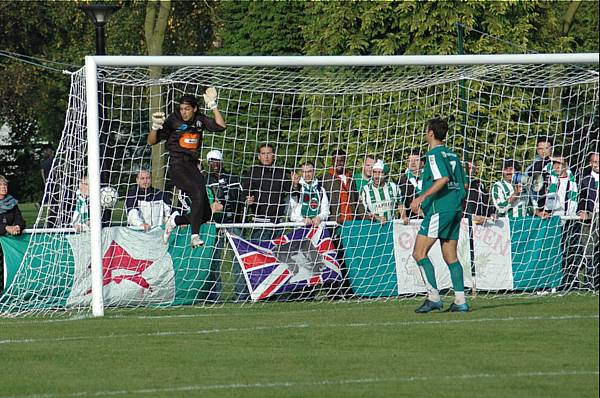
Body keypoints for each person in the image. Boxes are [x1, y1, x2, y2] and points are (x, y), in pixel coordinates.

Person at [147, 89, 226, 248]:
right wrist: (155, 126)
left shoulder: (200, 119)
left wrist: (212, 105)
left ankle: (175, 220)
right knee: (196, 192)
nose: (184, 112)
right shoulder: (173, 120)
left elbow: (221, 125)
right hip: (177, 166)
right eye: (182, 109)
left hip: (192, 166)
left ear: (195, 109)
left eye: (187, 109)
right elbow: (151, 141)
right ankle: (194, 236)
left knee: (205, 214)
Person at [410, 118, 469, 313]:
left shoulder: (434, 154)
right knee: (450, 256)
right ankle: (460, 301)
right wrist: (456, 206)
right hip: (454, 209)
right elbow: (464, 185)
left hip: (439, 209)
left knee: (419, 253)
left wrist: (422, 198)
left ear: (431, 133)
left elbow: (442, 178)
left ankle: (433, 297)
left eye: (425, 130)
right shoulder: (453, 155)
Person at [202, 149, 245, 302]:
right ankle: (214, 296)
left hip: (233, 222)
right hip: (215, 225)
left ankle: (242, 295)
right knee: (214, 261)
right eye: (212, 161)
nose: (215, 164)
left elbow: (240, 200)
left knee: (239, 260)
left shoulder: (234, 178)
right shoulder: (204, 180)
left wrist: (227, 207)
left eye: (217, 161)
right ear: (208, 163)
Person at [242, 143, 293, 241]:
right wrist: (247, 200)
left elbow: (292, 191)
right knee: (259, 253)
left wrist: (295, 184)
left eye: (269, 153)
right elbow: (244, 195)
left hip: (278, 224)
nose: (266, 156)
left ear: (274, 156)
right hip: (259, 223)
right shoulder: (253, 172)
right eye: (263, 153)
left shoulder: (280, 173)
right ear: (258, 156)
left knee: (278, 255)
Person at [577, 152, 599, 291]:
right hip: (591, 217)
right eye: (595, 162)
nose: (597, 165)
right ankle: (590, 282)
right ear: (590, 163)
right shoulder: (585, 180)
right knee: (589, 250)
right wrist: (581, 211)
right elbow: (581, 199)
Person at [359, 159, 406, 224]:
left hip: (391, 226)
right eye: (374, 172)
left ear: (385, 174)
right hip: (373, 227)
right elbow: (364, 212)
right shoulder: (365, 190)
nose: (377, 176)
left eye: (380, 172)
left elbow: (400, 204)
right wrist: (377, 218)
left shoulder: (393, 186)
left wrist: (403, 216)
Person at [289, 161, 330, 227]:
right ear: (301, 173)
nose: (307, 174)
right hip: (300, 228)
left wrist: (319, 217)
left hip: (317, 228)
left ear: (314, 172)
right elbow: (292, 214)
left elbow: (326, 211)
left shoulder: (320, 190)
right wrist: (302, 219)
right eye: (304, 172)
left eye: (310, 171)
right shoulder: (296, 189)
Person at [464, 160, 496, 224]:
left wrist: (491, 213)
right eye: (466, 167)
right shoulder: (457, 184)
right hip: (463, 222)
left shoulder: (479, 185)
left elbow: (485, 202)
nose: (468, 170)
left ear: (475, 169)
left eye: (470, 168)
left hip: (478, 222)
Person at [398, 148, 423, 221]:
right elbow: (400, 202)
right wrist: (404, 216)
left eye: (416, 160)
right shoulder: (403, 180)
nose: (413, 163)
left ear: (422, 163)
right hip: (410, 221)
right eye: (410, 160)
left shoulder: (428, 178)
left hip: (428, 217)